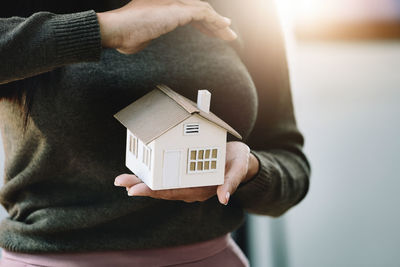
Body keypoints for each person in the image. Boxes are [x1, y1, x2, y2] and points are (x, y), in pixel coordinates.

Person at [0, 0, 310, 266]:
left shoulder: (248, 9)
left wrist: (251, 170)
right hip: (47, 258)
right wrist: (100, 29)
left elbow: (291, 167)